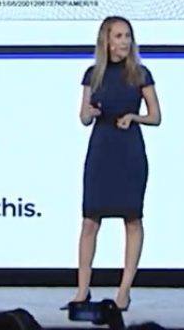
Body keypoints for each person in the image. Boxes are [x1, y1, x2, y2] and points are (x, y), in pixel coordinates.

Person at [67, 16, 162, 312]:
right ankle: (82, 290)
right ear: (106, 41)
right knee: (89, 221)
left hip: (128, 150)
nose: (125, 42)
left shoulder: (140, 74)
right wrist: (90, 113)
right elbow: (83, 117)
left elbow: (156, 116)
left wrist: (134, 117)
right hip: (101, 148)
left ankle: (124, 291)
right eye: (119, 36)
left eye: (128, 36)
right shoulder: (93, 74)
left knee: (132, 219)